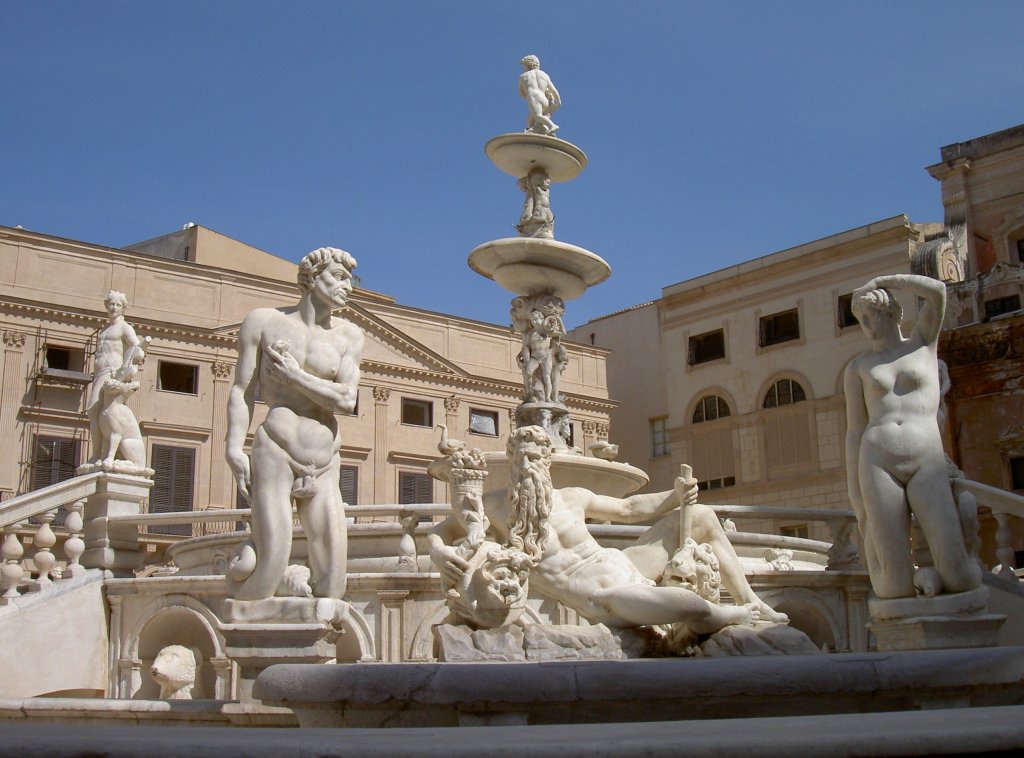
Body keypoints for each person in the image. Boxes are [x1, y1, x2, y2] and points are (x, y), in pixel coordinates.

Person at [431, 426, 786, 636]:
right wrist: (438, 551)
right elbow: (442, 531)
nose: (527, 465)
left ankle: (750, 602)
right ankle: (736, 616)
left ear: (547, 461)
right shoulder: (494, 506)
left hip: (621, 563)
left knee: (704, 517)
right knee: (691, 605)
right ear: (511, 461)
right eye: (520, 458)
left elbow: (629, 510)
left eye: (535, 457)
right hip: (607, 595)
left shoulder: (572, 497)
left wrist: (675, 494)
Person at [225, 247, 364, 601]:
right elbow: (242, 389)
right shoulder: (263, 322)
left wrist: (295, 376)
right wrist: (233, 447)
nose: (347, 286)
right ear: (312, 277)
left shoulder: (350, 337)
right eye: (339, 277)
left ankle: (320, 642)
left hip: (326, 458)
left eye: (350, 279)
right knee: (269, 564)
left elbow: (347, 400)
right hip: (276, 447)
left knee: (334, 577)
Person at [844, 274, 981, 599]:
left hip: (925, 459)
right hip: (877, 462)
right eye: (860, 319)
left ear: (890, 311)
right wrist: (855, 492)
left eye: (870, 315)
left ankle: (953, 561)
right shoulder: (859, 367)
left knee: (959, 576)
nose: (865, 324)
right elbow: (854, 431)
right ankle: (920, 576)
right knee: (892, 586)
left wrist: (882, 281)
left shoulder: (923, 344)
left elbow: (937, 293)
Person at [86, 291, 141, 464]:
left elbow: (137, 347)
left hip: (112, 373)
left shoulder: (125, 327)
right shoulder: (104, 329)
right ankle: (100, 454)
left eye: (118, 305)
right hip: (100, 374)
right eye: (111, 304)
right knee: (101, 413)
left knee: (94, 411)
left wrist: (135, 358)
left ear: (123, 308)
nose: (114, 307)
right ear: (106, 306)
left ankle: (99, 454)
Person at [519, 55, 561, 135]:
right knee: (530, 122)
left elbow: (521, 93)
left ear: (528, 64)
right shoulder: (545, 75)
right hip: (545, 100)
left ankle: (552, 125)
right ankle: (534, 131)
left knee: (538, 116)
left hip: (534, 97)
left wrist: (528, 97)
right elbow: (553, 90)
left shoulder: (523, 76)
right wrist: (558, 100)